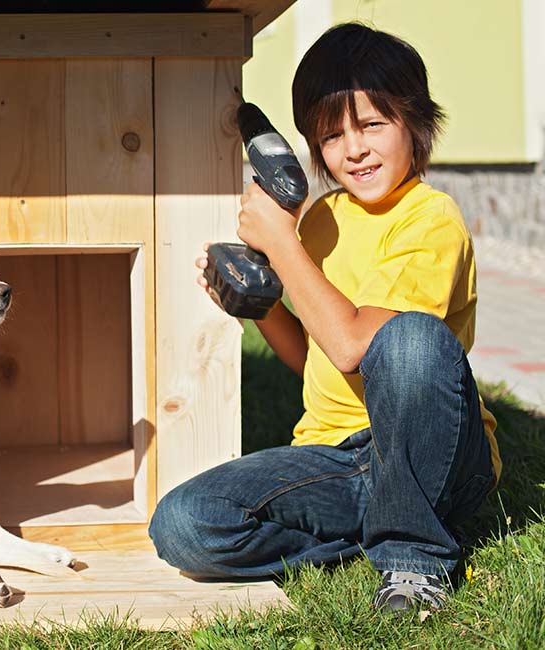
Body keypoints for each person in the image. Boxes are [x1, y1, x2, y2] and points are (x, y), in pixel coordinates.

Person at [149, 23, 500, 615]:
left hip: (436, 452)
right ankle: (380, 523)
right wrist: (258, 307)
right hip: (338, 459)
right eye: (332, 135)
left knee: (407, 338)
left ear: (415, 123)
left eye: (371, 125)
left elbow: (355, 348)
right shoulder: (320, 222)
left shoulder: (430, 219)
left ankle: (413, 562)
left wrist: (281, 244)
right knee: (184, 525)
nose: (353, 149)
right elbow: (313, 358)